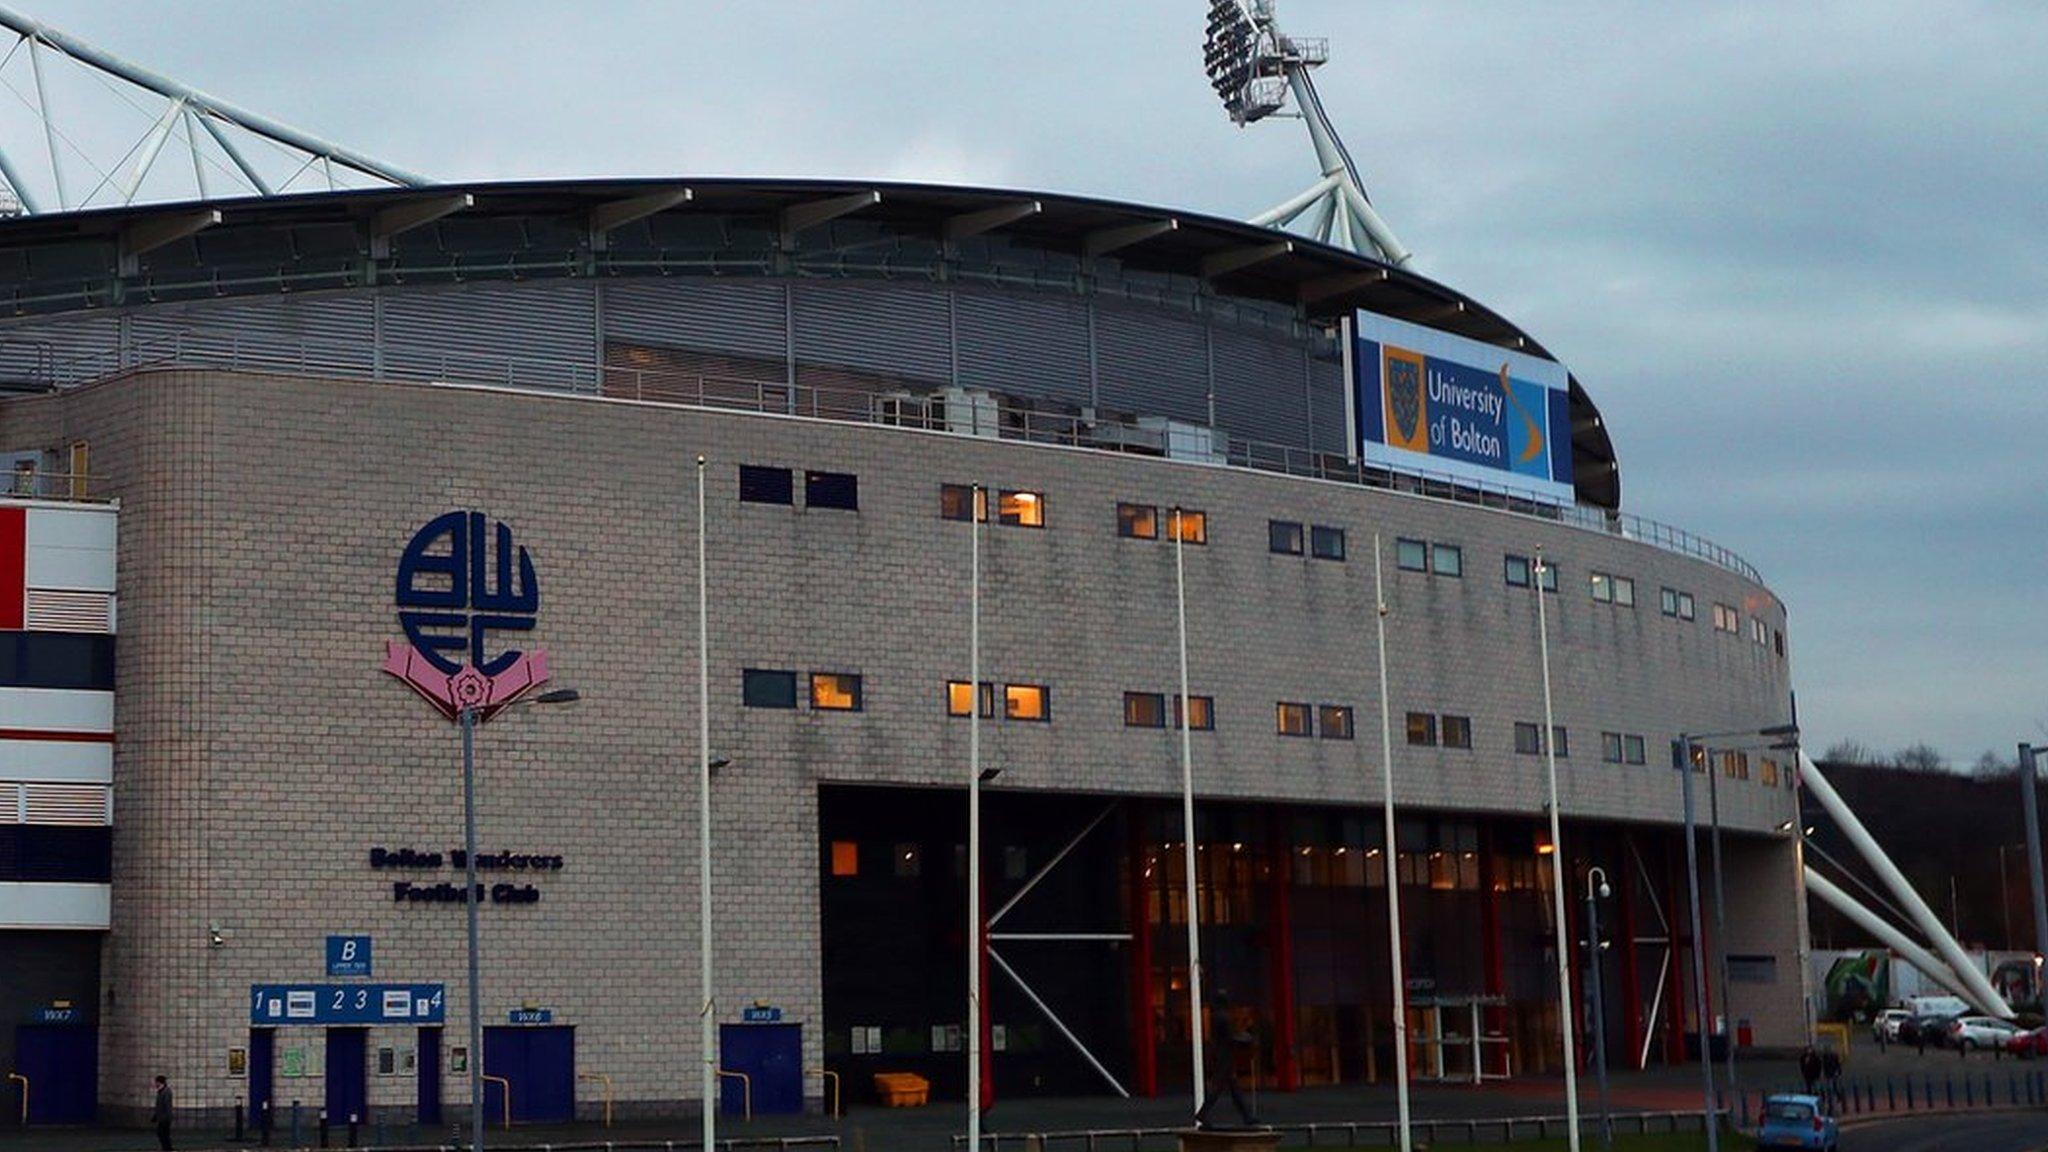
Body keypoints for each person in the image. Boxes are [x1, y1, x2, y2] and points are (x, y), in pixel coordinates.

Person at [1194, 988, 1259, 1129]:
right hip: (1224, 1057)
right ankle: (1203, 1113)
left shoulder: (1217, 1016)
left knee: (1233, 1088)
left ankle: (1247, 1115)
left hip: (1222, 1056)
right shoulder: (1223, 1017)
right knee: (1219, 1088)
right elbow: (1230, 1038)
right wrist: (1246, 1039)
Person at [151, 1075, 173, 1151]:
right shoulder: (161, 1091)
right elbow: (159, 1106)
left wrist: (166, 1118)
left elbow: (167, 1106)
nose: (155, 1084)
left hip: (165, 1118)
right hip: (162, 1118)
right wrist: (156, 1116)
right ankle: (166, 1148)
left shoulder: (166, 1092)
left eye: (156, 1082)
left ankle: (168, 1149)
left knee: (164, 1134)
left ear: (160, 1082)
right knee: (162, 1134)